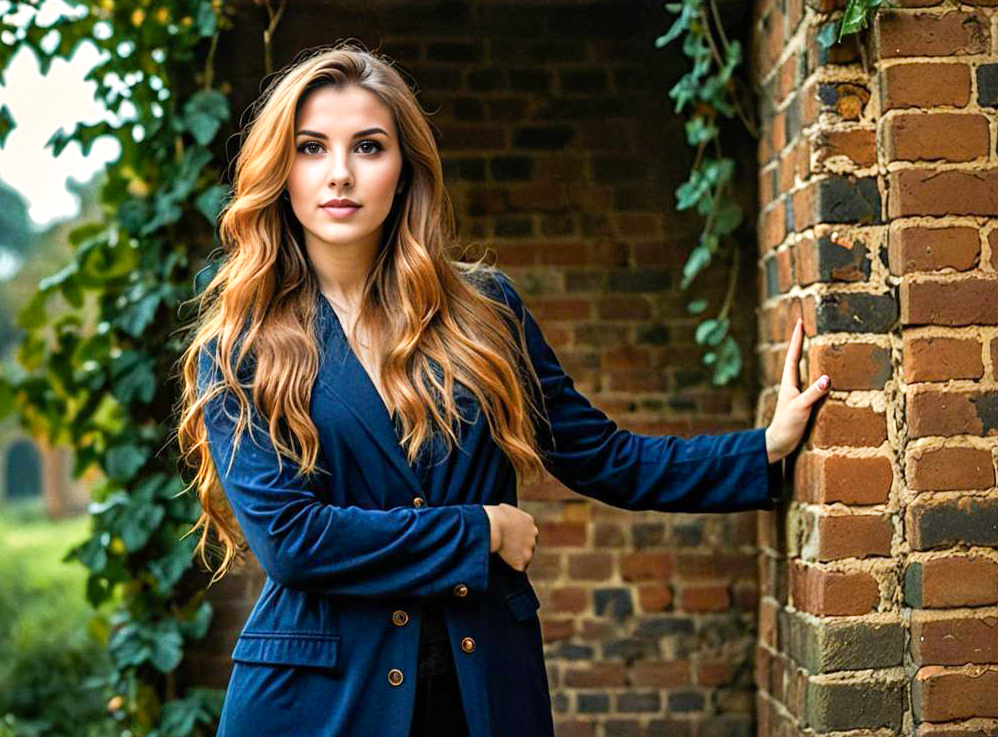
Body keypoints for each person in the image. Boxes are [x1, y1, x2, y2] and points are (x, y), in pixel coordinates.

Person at [174, 41, 830, 737]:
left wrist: (763, 449)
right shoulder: (240, 345)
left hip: (482, 679)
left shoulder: (484, 310)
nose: (339, 174)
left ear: (405, 171)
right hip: (314, 701)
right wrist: (479, 528)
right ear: (281, 170)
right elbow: (293, 541)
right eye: (311, 148)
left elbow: (601, 455)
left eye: (368, 147)